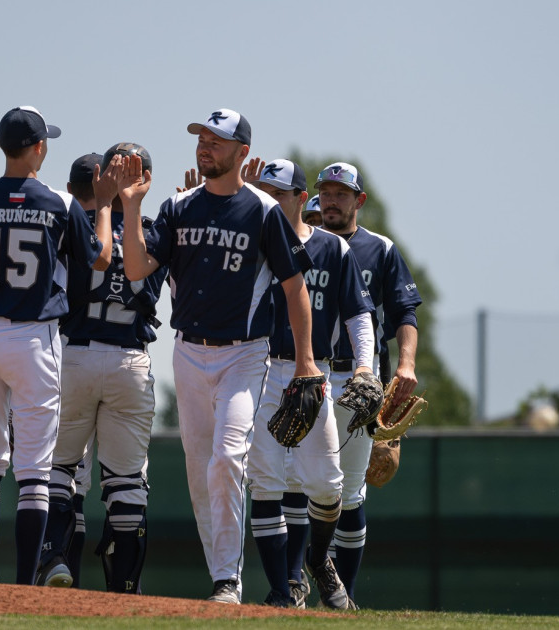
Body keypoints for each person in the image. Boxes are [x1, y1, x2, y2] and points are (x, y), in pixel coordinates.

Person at [0, 106, 136, 585]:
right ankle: (23, 587)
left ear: (3, 147)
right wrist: (103, 205)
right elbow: (101, 259)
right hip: (33, 338)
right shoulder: (60, 203)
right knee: (34, 472)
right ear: (39, 147)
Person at [119, 109, 320, 604]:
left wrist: (306, 360)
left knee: (228, 460)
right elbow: (136, 265)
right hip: (187, 352)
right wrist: (129, 208)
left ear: (242, 153)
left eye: (217, 140)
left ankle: (228, 580)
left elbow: (295, 287)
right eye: (202, 138)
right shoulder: (178, 205)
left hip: (244, 356)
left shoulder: (262, 210)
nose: (205, 146)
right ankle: (221, 575)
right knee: (198, 469)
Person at [243, 158, 374, 610]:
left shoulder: (333, 249)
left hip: (311, 372)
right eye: (262, 193)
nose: (268, 201)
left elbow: (359, 314)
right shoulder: (252, 244)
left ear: (301, 199)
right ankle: (283, 590)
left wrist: (364, 367)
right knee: (265, 482)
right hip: (257, 368)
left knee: (328, 486)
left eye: (277, 194)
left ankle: (318, 561)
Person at [39, 145, 167, 593]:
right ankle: (124, 592)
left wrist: (103, 201)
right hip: (129, 361)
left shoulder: (75, 223)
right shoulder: (153, 232)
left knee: (60, 470)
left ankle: (56, 560)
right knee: (127, 484)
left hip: (73, 355)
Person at [314, 162, 422, 602]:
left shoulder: (380, 249)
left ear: (359, 200)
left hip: (361, 382)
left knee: (353, 491)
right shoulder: (303, 241)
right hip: (310, 374)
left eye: (342, 193)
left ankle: (343, 594)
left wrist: (406, 365)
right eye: (326, 191)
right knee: (300, 484)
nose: (332, 199)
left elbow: (404, 313)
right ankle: (295, 586)